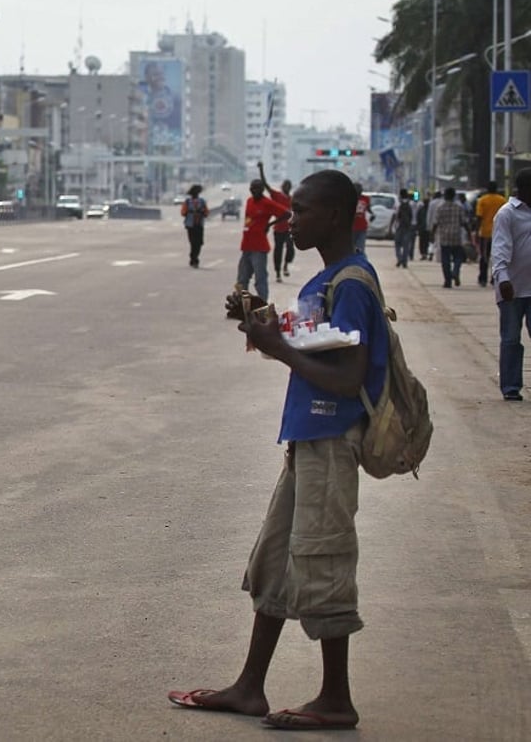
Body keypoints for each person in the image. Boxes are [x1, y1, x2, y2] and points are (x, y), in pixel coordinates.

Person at [168, 169, 388, 732]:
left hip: (332, 443)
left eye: (303, 212)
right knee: (275, 560)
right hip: (306, 441)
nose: (291, 222)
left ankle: (336, 698)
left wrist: (279, 350)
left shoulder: (353, 283)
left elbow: (348, 379)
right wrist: (266, 327)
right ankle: (249, 687)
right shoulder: (329, 278)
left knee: (322, 560)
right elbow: (322, 350)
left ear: (336, 216)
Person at [490, 168, 531, 401]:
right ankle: (511, 387)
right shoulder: (507, 214)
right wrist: (502, 278)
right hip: (512, 289)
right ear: (524, 190)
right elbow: (500, 248)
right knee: (511, 338)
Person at [236, 179, 288, 304]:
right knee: (242, 278)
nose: (253, 191)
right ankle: (242, 304)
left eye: (256, 188)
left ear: (262, 189)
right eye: (252, 188)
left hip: (259, 248)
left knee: (260, 279)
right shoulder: (249, 201)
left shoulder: (267, 203)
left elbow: (287, 214)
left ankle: (263, 304)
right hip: (246, 246)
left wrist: (269, 224)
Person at [259, 162, 294, 281]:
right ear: (282, 186)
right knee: (278, 251)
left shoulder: (292, 199)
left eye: (289, 185)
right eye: (285, 185)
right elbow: (265, 184)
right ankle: (278, 272)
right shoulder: (277, 196)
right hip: (278, 229)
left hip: (289, 229)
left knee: (290, 248)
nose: (287, 187)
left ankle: (286, 266)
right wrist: (261, 169)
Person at [431, 186, 467, 288]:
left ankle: (447, 281)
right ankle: (455, 272)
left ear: (445, 196)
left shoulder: (440, 207)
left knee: (445, 260)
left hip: (444, 237)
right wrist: (468, 233)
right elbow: (464, 222)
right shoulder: (459, 207)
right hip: (456, 236)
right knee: (458, 258)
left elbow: (435, 223)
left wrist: (432, 235)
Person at [476, 182, 506, 287]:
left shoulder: (482, 200)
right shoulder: (502, 200)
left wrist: (476, 231)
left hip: (485, 233)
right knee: (496, 256)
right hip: (499, 232)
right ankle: (495, 278)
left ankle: (483, 278)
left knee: (484, 257)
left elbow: (479, 217)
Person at [181, 184, 209, 268]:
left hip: (199, 225)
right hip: (190, 225)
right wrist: (190, 212)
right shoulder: (187, 202)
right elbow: (183, 212)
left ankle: (194, 257)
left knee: (199, 243)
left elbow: (206, 212)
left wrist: (202, 212)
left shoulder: (202, 201)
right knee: (193, 242)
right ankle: (194, 259)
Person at [392, 188, 416, 268]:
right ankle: (405, 261)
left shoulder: (397, 203)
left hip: (399, 226)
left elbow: (395, 215)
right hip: (409, 226)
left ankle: (399, 258)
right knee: (406, 245)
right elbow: (413, 216)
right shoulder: (412, 204)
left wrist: (392, 225)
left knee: (397, 244)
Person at [351, 183, 372, 256]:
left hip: (362, 227)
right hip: (351, 227)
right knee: (351, 248)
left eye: (360, 190)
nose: (359, 191)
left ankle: (362, 263)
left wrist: (372, 214)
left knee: (360, 248)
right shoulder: (349, 198)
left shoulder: (366, 198)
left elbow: (369, 209)